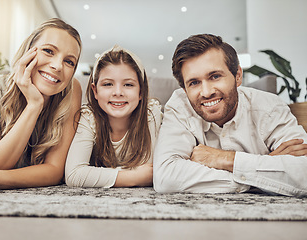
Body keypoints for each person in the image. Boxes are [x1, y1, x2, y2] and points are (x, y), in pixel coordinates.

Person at [153, 34, 307, 197]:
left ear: (238, 76)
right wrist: (264, 173)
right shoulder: (179, 107)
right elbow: (166, 177)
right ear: (185, 89)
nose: (206, 92)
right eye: (194, 83)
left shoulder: (270, 107)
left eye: (215, 76)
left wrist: (223, 158)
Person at [0, 18, 82, 199]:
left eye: (69, 62)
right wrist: (33, 106)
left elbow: (54, 170)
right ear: (28, 51)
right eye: (48, 51)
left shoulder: (71, 90)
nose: (57, 66)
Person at [65, 45, 162, 187]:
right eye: (108, 84)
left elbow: (153, 171)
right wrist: (134, 176)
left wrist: (96, 174)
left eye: (128, 85)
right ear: (95, 91)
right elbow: (74, 175)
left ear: (141, 92)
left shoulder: (151, 113)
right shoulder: (89, 117)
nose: (118, 92)